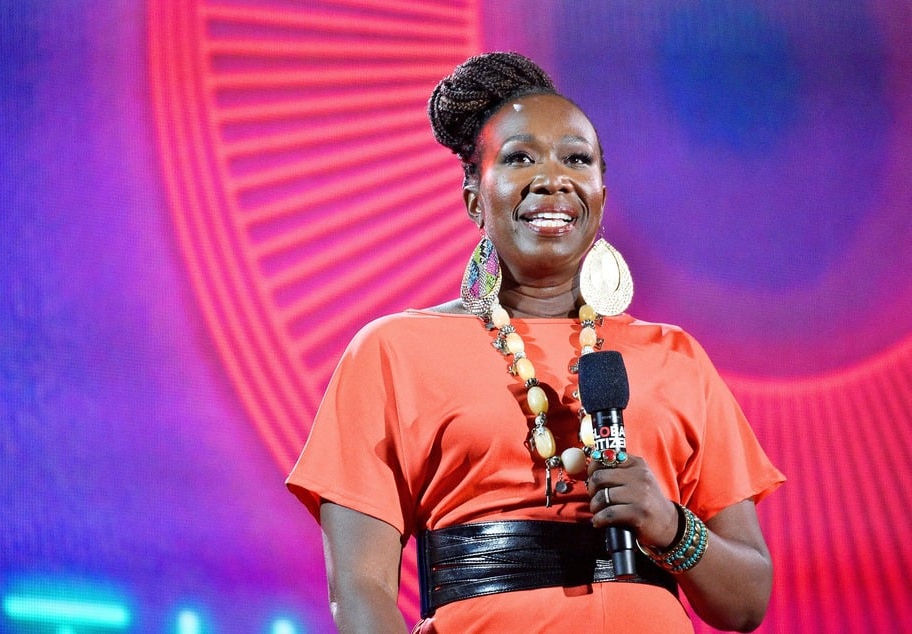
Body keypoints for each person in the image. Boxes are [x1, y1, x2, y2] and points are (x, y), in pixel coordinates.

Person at [287, 52, 784, 633]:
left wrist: (671, 525)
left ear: (600, 192)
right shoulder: (393, 351)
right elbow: (360, 587)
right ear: (475, 196)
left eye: (577, 158)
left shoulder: (676, 356)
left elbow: (746, 600)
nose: (553, 178)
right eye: (520, 158)